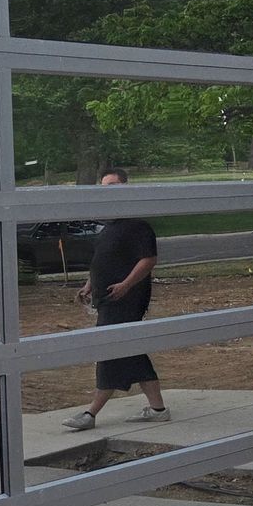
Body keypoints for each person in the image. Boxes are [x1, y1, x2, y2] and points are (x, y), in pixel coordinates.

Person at [62, 167, 168, 431]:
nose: (106, 193)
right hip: (106, 300)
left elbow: (149, 260)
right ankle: (158, 409)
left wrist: (126, 285)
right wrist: (88, 286)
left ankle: (90, 413)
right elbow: (102, 263)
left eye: (112, 187)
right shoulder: (109, 228)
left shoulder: (138, 227)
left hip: (126, 301)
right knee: (131, 352)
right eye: (103, 188)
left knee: (109, 352)